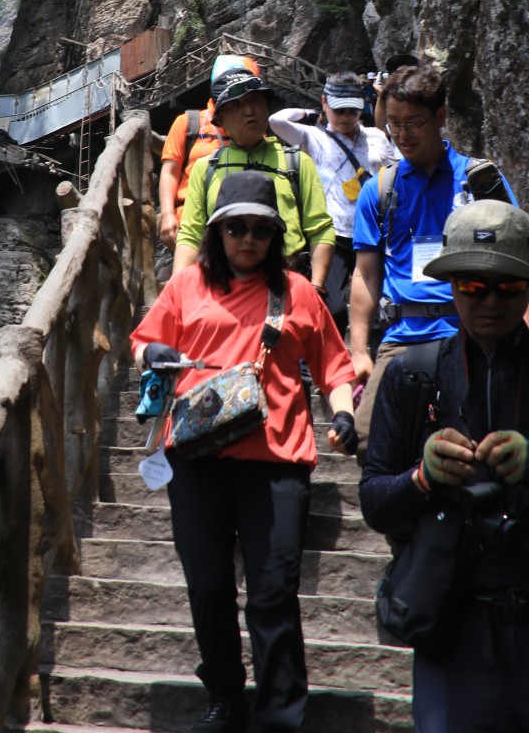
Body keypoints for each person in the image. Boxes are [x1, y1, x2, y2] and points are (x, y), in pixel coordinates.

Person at [133, 170, 358, 733]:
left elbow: (335, 365)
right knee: (207, 584)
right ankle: (226, 694)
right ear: (218, 231)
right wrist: (154, 356)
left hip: (277, 462)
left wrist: (344, 412)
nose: (249, 239)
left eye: (261, 229)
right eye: (237, 227)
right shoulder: (187, 285)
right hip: (196, 457)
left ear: (275, 235)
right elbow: (144, 342)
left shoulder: (298, 293)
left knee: (273, 592)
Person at [360, 200, 529, 733]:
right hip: (457, 630)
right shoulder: (412, 377)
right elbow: (375, 500)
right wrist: (423, 478)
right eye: (473, 285)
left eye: (507, 285)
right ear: (451, 287)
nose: (490, 300)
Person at [349, 63, 517, 454]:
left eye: (413, 123)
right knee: (369, 442)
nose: (402, 134)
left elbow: (515, 259)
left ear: (440, 117)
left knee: (474, 446)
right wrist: (358, 350)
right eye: (393, 124)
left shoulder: (481, 182)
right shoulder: (380, 190)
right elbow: (365, 275)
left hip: (473, 335)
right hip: (402, 338)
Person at [172, 64, 337, 290]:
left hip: (286, 286)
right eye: (236, 105)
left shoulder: (297, 163)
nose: (249, 111)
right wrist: (177, 293)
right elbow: (191, 235)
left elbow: (320, 228)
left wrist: (316, 287)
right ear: (219, 119)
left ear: (267, 106)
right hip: (224, 289)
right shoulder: (206, 168)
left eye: (255, 100)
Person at [271, 73, 397, 331]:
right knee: (334, 307)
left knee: (378, 304)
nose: (346, 116)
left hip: (371, 230)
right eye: (339, 109)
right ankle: (331, 352)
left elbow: (394, 175)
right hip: (333, 232)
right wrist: (308, 112)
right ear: (324, 102)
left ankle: (372, 351)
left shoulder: (375, 137)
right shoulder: (311, 137)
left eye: (353, 110)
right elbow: (276, 120)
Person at [157, 55, 261, 286]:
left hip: (241, 224)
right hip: (192, 221)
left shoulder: (254, 127)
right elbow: (170, 172)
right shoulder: (188, 123)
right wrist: (167, 215)